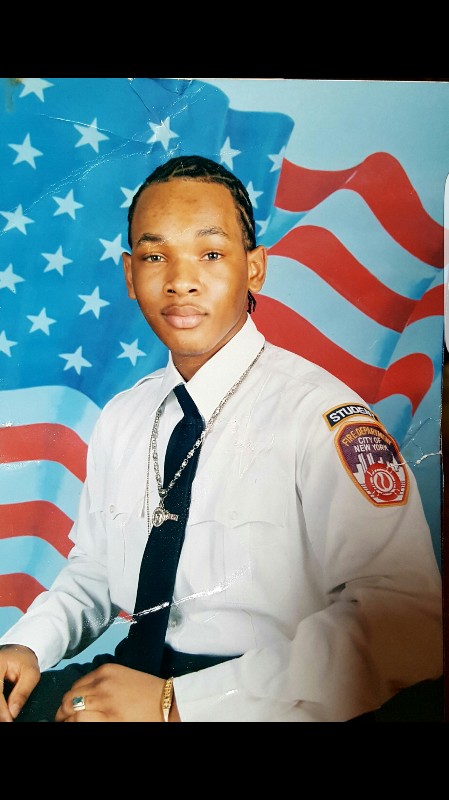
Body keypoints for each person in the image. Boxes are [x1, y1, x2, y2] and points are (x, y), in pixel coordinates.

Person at [0, 154, 443, 723]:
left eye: (211, 254)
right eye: (155, 256)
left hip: (266, 696)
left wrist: (175, 705)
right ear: (129, 275)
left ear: (255, 268)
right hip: (132, 675)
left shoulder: (321, 417)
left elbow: (408, 622)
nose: (180, 280)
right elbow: (96, 570)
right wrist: (28, 644)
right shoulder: (123, 417)